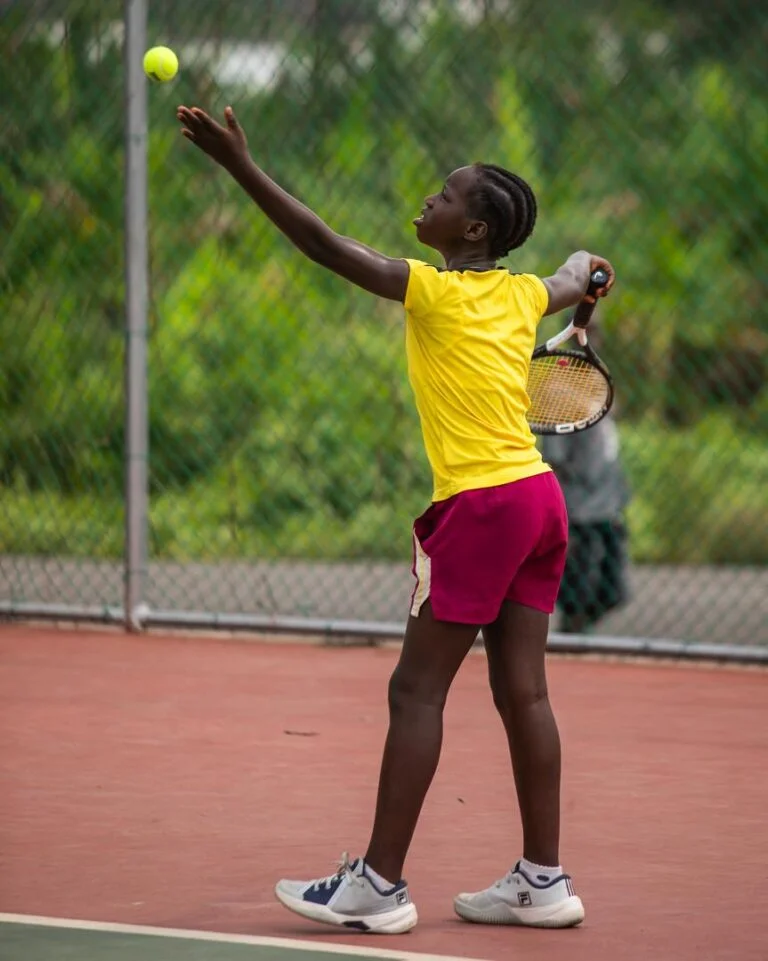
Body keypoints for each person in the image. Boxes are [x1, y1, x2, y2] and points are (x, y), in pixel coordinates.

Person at [176, 104, 615, 935]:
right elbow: (576, 267)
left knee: (416, 689)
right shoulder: (524, 294)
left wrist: (239, 164)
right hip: (536, 502)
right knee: (525, 692)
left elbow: (324, 245)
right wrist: (589, 282)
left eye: (444, 196)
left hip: (481, 506)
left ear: (474, 227)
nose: (428, 201)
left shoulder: (432, 290)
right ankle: (543, 880)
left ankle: (378, 884)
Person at [540, 323, 631, 635]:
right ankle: (572, 640)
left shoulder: (600, 379)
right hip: (579, 506)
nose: (591, 340)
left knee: (613, 590)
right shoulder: (559, 388)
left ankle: (578, 634)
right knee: (578, 590)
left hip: (608, 503)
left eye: (596, 332)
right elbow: (555, 454)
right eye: (586, 331)